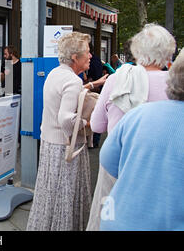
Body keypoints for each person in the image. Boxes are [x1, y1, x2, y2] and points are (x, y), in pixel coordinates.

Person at [87, 23, 176, 230]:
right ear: (168, 53)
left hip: (116, 163)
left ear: (136, 51)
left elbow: (97, 125)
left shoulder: (117, 80)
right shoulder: (175, 84)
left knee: (108, 217)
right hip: (159, 168)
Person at [26, 32, 106, 231]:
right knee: (66, 198)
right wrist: (88, 123)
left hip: (51, 145)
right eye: (87, 53)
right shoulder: (73, 81)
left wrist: (93, 84)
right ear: (74, 58)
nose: (90, 56)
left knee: (50, 197)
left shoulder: (55, 73)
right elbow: (66, 120)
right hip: (66, 149)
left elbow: (65, 94)